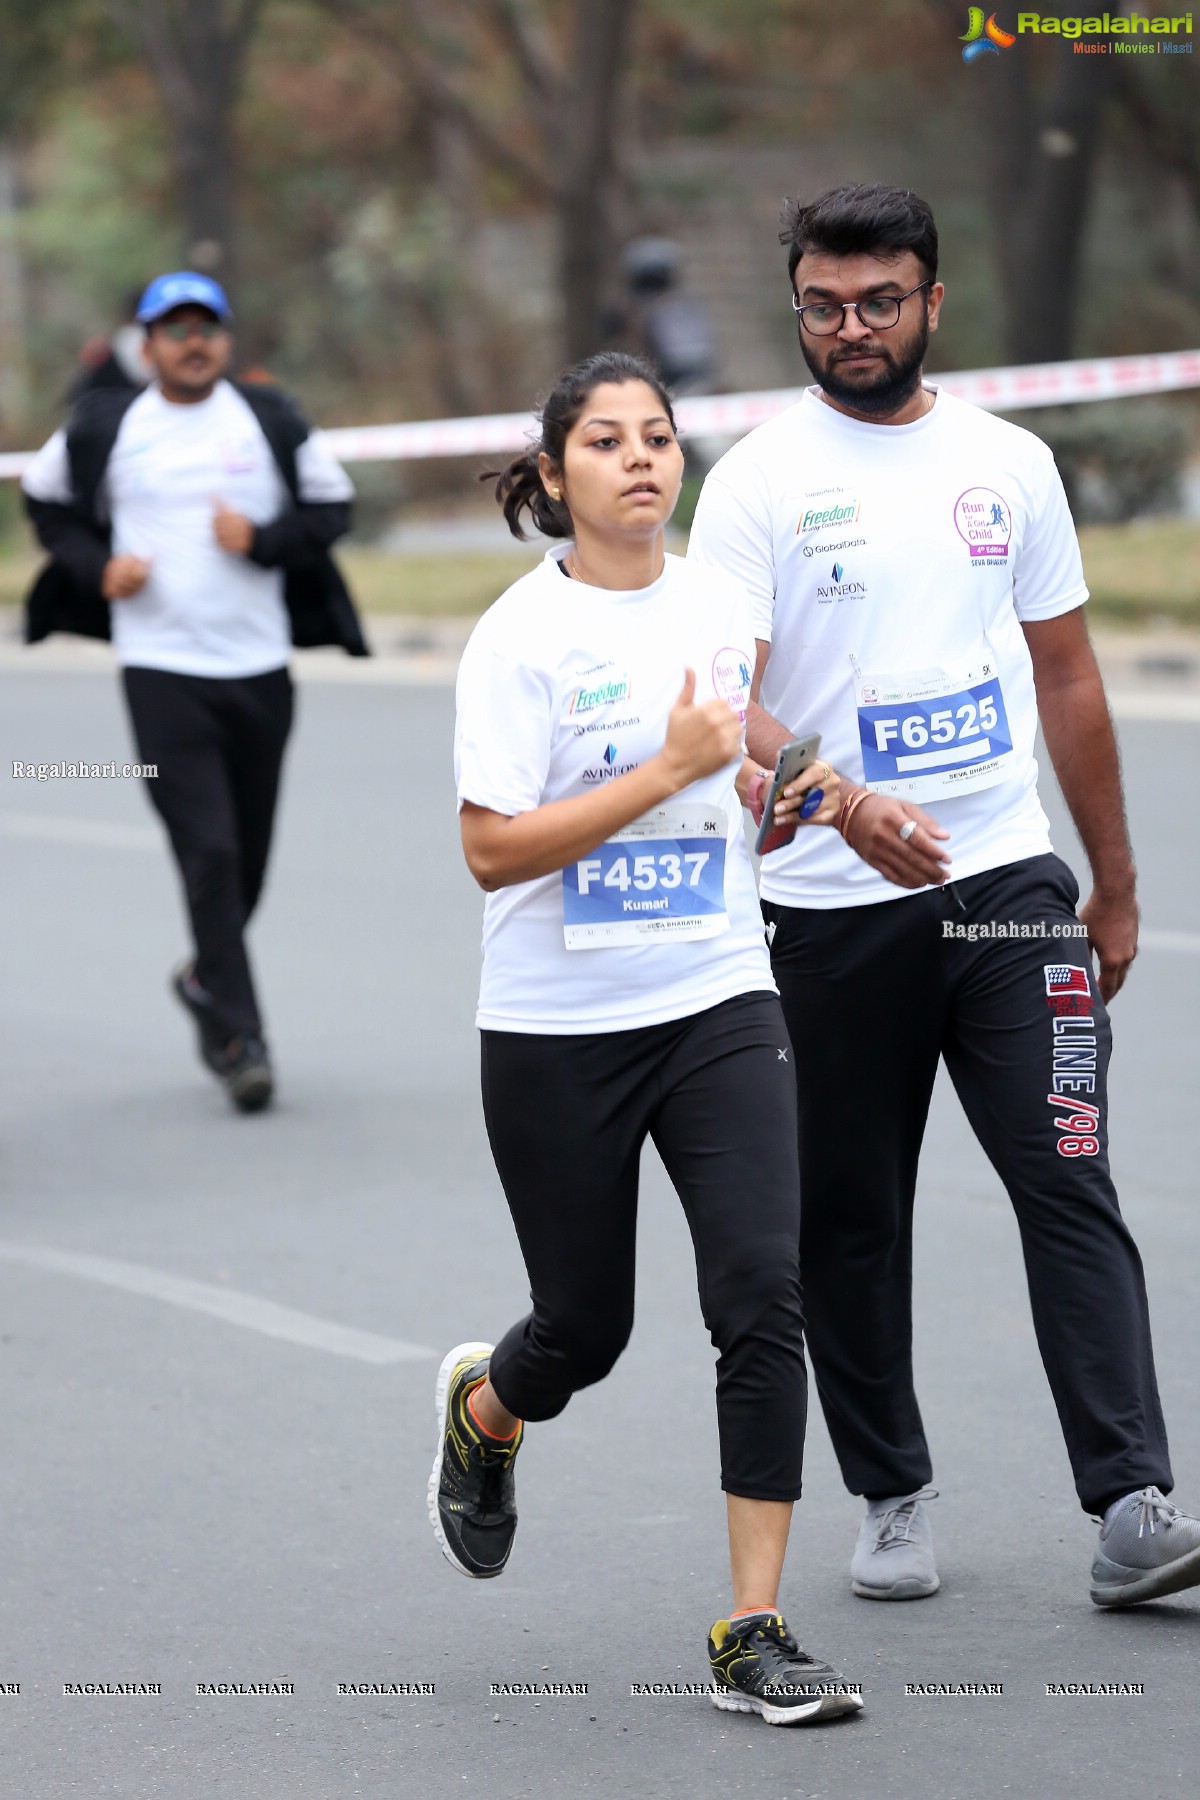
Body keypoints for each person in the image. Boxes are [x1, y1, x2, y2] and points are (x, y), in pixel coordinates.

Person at [687, 182, 1200, 1609]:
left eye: (879, 301)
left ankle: (1135, 1502)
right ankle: (891, 1488)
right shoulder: (755, 483)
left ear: (931, 301)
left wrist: (1117, 880)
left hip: (1005, 890)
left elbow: (1071, 673)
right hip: (826, 910)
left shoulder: (1010, 465)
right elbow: (719, 713)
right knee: (849, 1214)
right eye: (824, 305)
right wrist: (841, 805)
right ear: (798, 305)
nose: (851, 328)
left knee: (1068, 1168)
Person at [433, 351, 861, 1726]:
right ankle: (489, 1411)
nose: (641, 459)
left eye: (660, 437)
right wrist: (664, 774)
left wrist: (760, 794)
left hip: (719, 994)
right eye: (606, 441)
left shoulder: (724, 608)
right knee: (587, 1326)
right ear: (554, 476)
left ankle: (753, 1627)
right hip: (559, 1026)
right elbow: (493, 852)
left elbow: (731, 766)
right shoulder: (516, 640)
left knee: (761, 1290)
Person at [22, 270, 367, 1112]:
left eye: (205, 325)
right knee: (206, 848)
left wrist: (262, 538)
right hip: (159, 668)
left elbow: (333, 509)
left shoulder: (269, 418)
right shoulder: (107, 424)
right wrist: (97, 567)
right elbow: (45, 502)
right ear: (147, 345)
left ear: (225, 338)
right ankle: (239, 1037)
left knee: (245, 859)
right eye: (173, 328)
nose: (191, 341)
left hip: (258, 668)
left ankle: (202, 974)